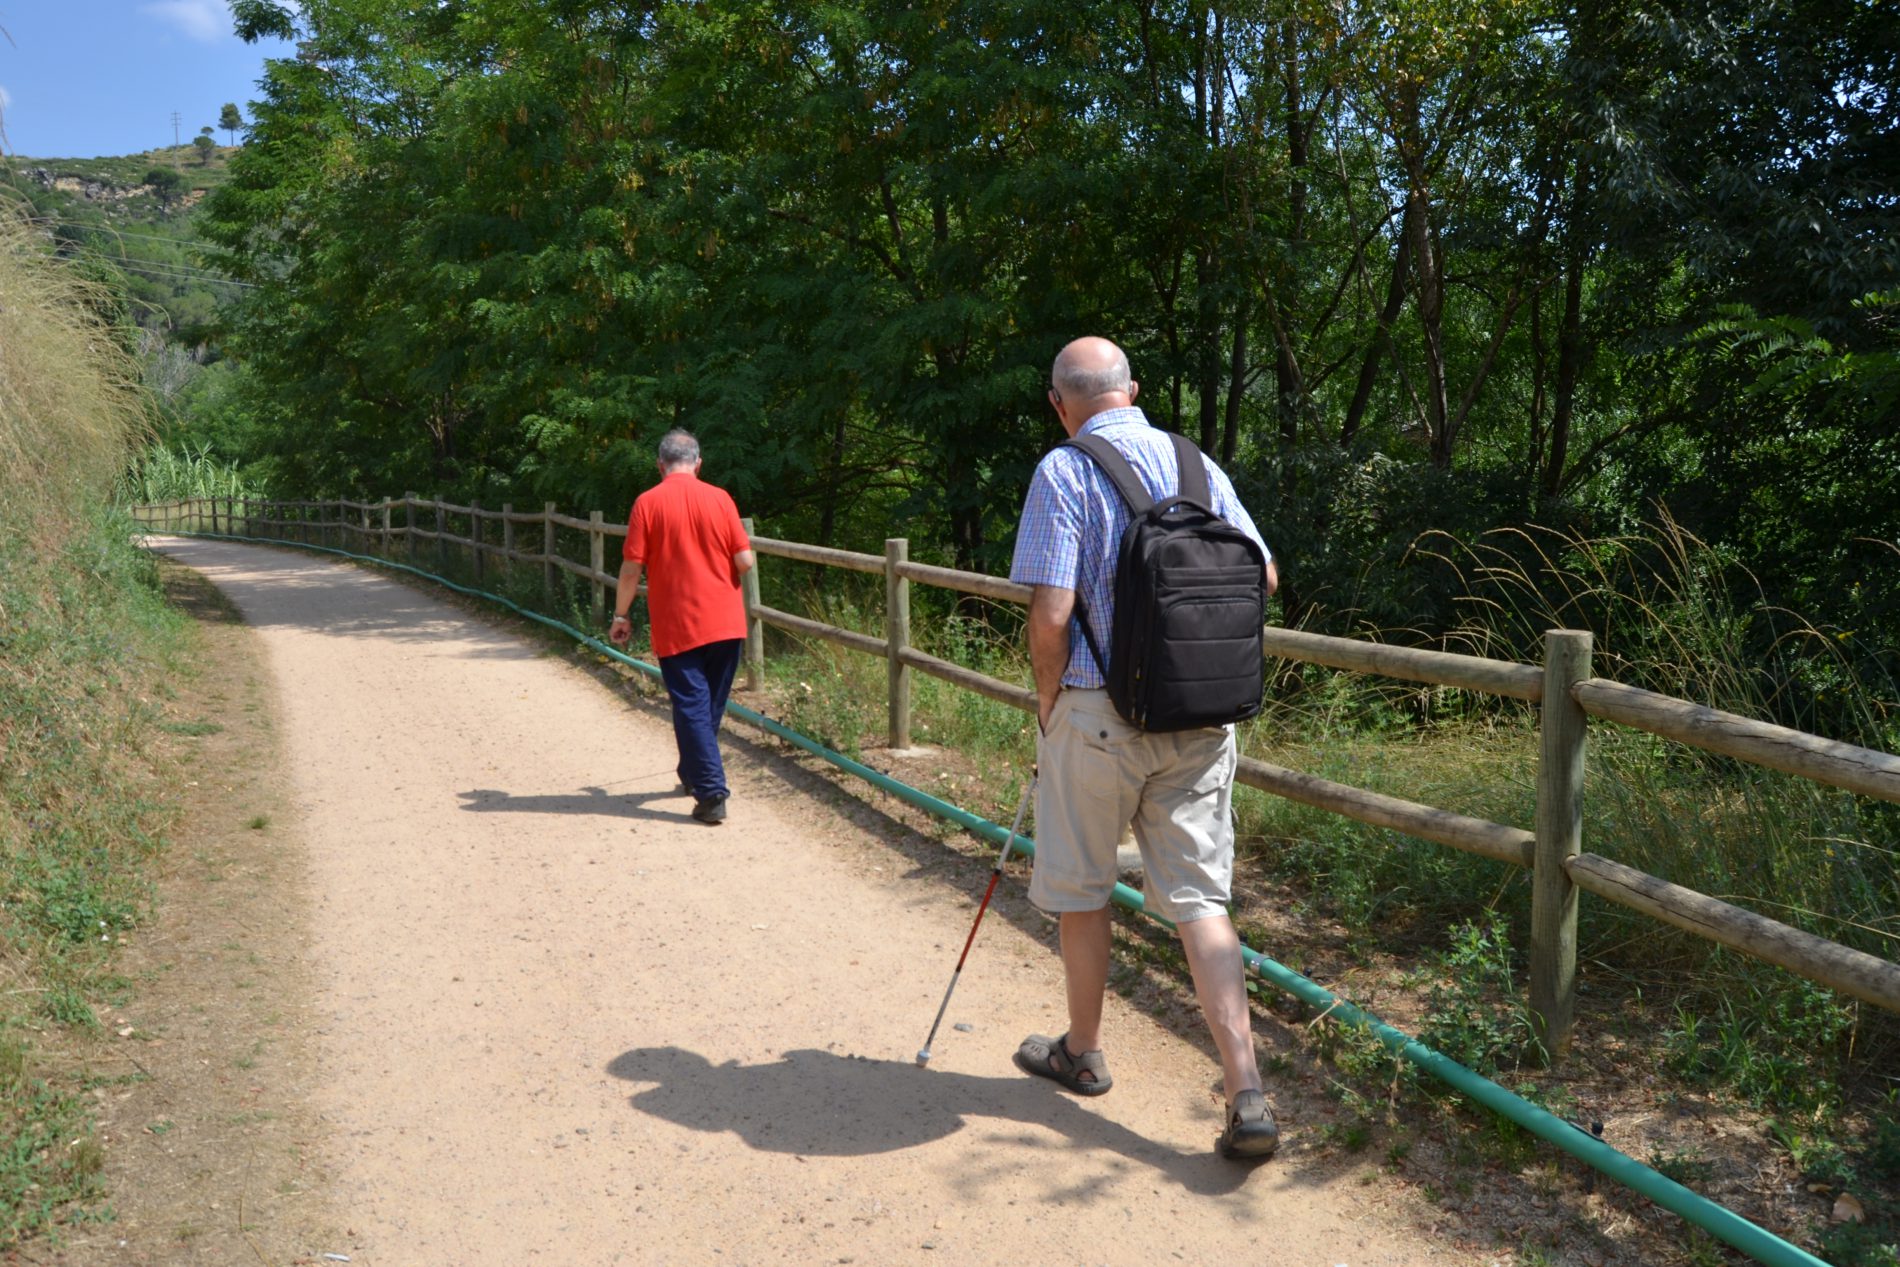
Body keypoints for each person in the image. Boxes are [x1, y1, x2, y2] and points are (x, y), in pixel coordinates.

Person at [1007, 336, 1283, 1160]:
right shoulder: (1196, 463)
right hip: (1200, 717)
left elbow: (1052, 615)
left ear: (1060, 403)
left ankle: (1083, 1051)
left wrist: (1049, 702)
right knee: (1202, 901)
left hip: (1097, 713)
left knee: (1084, 888)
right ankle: (1246, 1090)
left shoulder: (1063, 470)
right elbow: (1263, 577)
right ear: (1133, 390)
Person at [608, 430, 756, 825]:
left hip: (678, 623)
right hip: (726, 621)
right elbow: (745, 561)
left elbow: (630, 568)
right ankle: (694, 772)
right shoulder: (721, 498)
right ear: (698, 462)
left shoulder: (648, 503)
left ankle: (711, 793)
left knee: (692, 704)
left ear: (660, 465)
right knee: (706, 706)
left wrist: (621, 615)